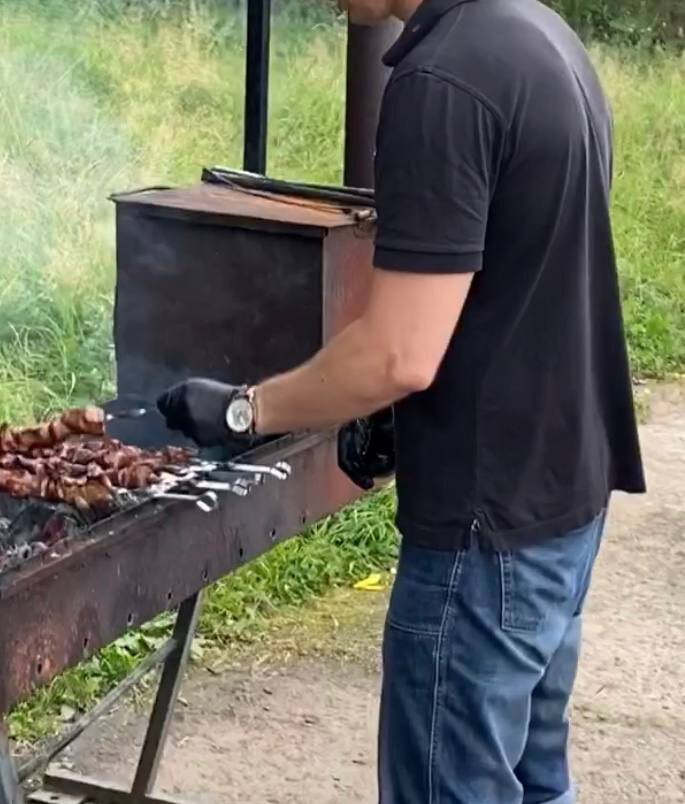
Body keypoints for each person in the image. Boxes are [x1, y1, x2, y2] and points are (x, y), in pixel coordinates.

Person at [155, 0, 646, 801]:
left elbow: (397, 353)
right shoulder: (533, 29)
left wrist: (243, 410)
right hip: (562, 493)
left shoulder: (442, 80)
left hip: (485, 530)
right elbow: (520, 272)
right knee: (532, 781)